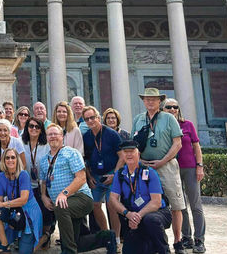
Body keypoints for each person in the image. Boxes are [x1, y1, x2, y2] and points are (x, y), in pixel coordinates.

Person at [131, 87, 186, 254]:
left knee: (176, 204)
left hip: (167, 166)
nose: (150, 101)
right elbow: (134, 144)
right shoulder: (138, 119)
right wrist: (139, 161)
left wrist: (162, 161)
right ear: (143, 101)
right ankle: (153, 242)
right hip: (145, 167)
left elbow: (178, 143)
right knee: (147, 203)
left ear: (159, 101)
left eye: (153, 99)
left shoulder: (169, 118)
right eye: (147, 99)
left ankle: (178, 242)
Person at [109, 140, 172, 254]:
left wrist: (137, 216)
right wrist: (127, 214)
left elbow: (156, 202)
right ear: (122, 155)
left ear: (138, 154)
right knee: (130, 250)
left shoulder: (149, 172)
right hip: (132, 215)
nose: (129, 154)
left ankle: (164, 250)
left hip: (157, 213)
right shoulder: (119, 174)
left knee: (150, 220)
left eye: (132, 151)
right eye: (125, 152)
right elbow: (113, 199)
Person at [40, 124, 93, 254]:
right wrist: (43, 196)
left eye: (55, 134)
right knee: (75, 242)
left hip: (81, 197)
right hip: (63, 203)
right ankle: (106, 238)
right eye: (50, 134)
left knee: (61, 207)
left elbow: (81, 178)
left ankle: (69, 252)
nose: (52, 137)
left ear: (62, 136)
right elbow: (43, 181)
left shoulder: (71, 153)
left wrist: (64, 193)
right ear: (46, 138)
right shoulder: (43, 160)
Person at [163, 98, 206, 253]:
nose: (173, 109)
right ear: (163, 109)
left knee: (195, 204)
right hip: (171, 170)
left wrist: (199, 166)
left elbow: (196, 146)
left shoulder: (187, 125)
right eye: (169, 107)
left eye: (175, 107)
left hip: (189, 168)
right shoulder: (163, 126)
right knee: (180, 205)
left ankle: (199, 240)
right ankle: (186, 237)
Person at [82, 106, 123, 247]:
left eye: (92, 117)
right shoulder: (86, 137)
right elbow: (85, 160)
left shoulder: (111, 134)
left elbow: (122, 157)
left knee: (112, 205)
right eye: (87, 119)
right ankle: (107, 235)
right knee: (95, 205)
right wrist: (89, 177)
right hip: (95, 176)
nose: (90, 121)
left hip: (112, 173)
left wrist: (115, 175)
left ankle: (116, 238)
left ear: (98, 117)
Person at [0, 148, 43, 254]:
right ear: (3, 161)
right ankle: (5, 247)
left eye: (13, 157)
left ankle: (44, 237)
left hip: (29, 213)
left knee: (24, 251)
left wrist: (2, 204)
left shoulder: (23, 175)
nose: (10, 160)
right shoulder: (1, 176)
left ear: (17, 160)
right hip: (14, 211)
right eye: (7, 158)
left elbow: (23, 200)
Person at [20, 117, 53, 249]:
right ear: (27, 128)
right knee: (29, 212)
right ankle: (30, 236)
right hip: (27, 185)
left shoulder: (46, 145)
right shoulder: (21, 143)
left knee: (45, 210)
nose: (34, 129)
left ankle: (46, 236)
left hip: (43, 184)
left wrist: (44, 193)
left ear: (41, 130)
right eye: (31, 126)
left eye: (37, 127)